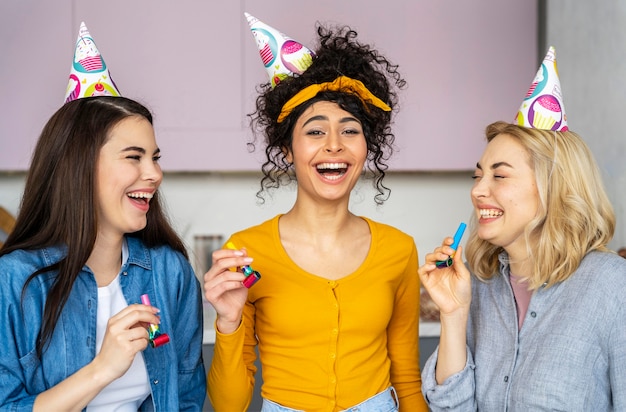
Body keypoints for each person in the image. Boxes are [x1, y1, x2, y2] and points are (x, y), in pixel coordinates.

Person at [203, 13, 429, 412]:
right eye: (314, 130)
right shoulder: (248, 252)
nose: (334, 145)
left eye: (350, 129)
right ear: (287, 150)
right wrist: (228, 322)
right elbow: (230, 405)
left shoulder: (399, 249)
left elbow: (407, 381)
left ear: (366, 148)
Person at [418, 47, 626, 410]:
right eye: (478, 175)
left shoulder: (611, 286)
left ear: (552, 185)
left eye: (499, 175)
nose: (478, 189)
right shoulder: (479, 288)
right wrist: (452, 315)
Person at [0, 95, 206, 411]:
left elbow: (187, 398)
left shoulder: (170, 271)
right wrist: (103, 369)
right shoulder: (13, 280)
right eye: (134, 157)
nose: (154, 174)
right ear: (79, 165)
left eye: (155, 157)